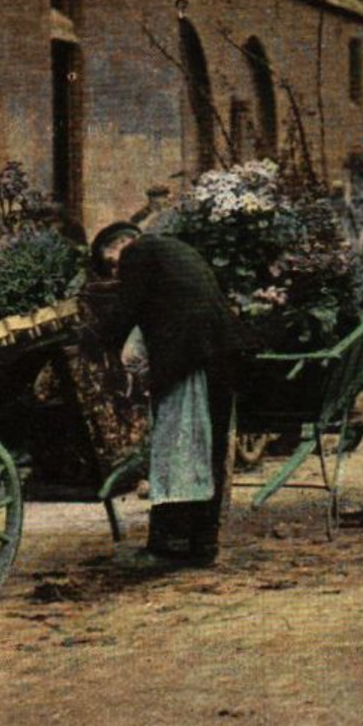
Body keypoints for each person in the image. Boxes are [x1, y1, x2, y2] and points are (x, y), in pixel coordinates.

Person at [90, 222, 249, 566]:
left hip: (188, 358)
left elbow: (126, 310)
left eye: (113, 262)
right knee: (208, 450)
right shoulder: (174, 250)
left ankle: (168, 546)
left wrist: (96, 339)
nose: (116, 271)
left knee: (176, 447)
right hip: (219, 354)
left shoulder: (138, 252)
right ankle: (202, 544)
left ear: (123, 243)